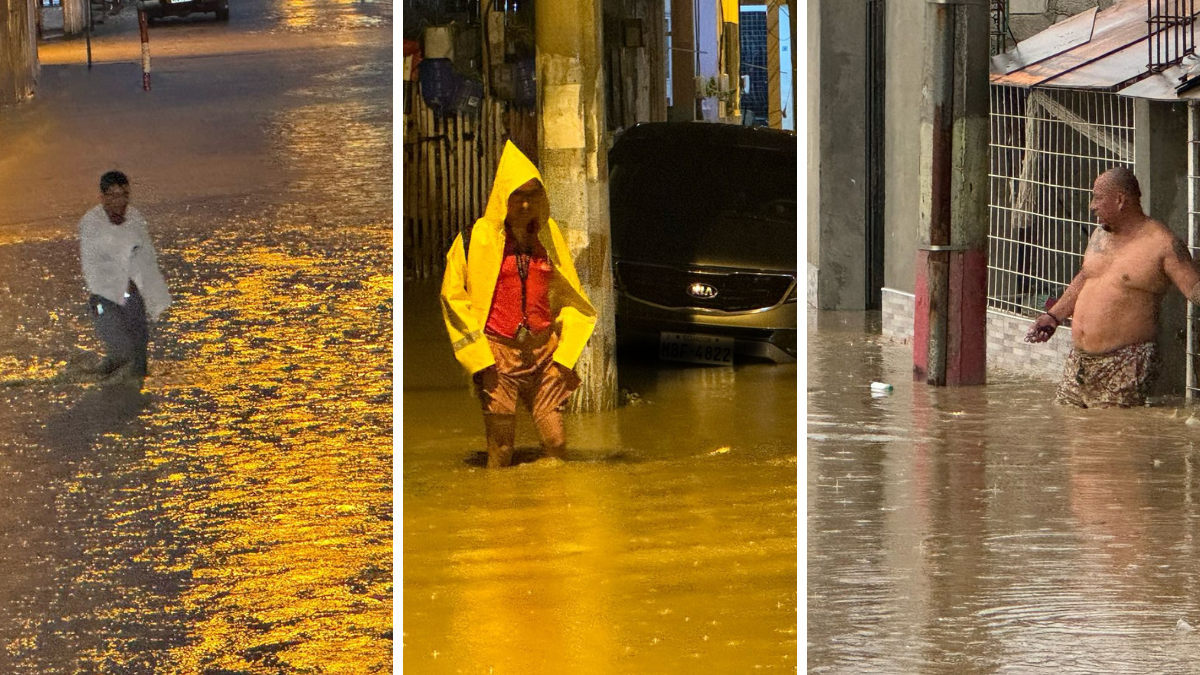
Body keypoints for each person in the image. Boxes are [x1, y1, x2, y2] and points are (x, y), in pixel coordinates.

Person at [440, 141, 597, 468]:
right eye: (518, 196)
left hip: (544, 354)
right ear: (503, 198)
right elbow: (453, 298)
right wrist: (480, 360)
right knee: (501, 450)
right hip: (498, 356)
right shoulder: (475, 239)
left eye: (533, 195)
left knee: (556, 443)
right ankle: (499, 511)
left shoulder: (549, 235)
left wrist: (563, 357)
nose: (526, 204)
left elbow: (570, 295)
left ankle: (548, 511)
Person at [1026, 166, 1200, 408]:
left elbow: (1194, 289)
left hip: (1125, 363)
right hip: (1080, 362)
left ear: (1120, 200)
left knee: (1113, 438)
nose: (1092, 206)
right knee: (1071, 432)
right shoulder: (1100, 234)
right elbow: (1086, 276)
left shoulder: (1162, 244)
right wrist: (1053, 316)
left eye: (1097, 197)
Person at [78, 171, 172, 386]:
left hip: (131, 295)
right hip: (103, 299)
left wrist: (154, 296)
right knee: (121, 351)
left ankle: (130, 402)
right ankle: (99, 378)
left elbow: (147, 258)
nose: (120, 202)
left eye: (124, 195)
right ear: (103, 198)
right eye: (113, 196)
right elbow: (92, 268)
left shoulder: (135, 219)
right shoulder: (91, 224)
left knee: (140, 365)